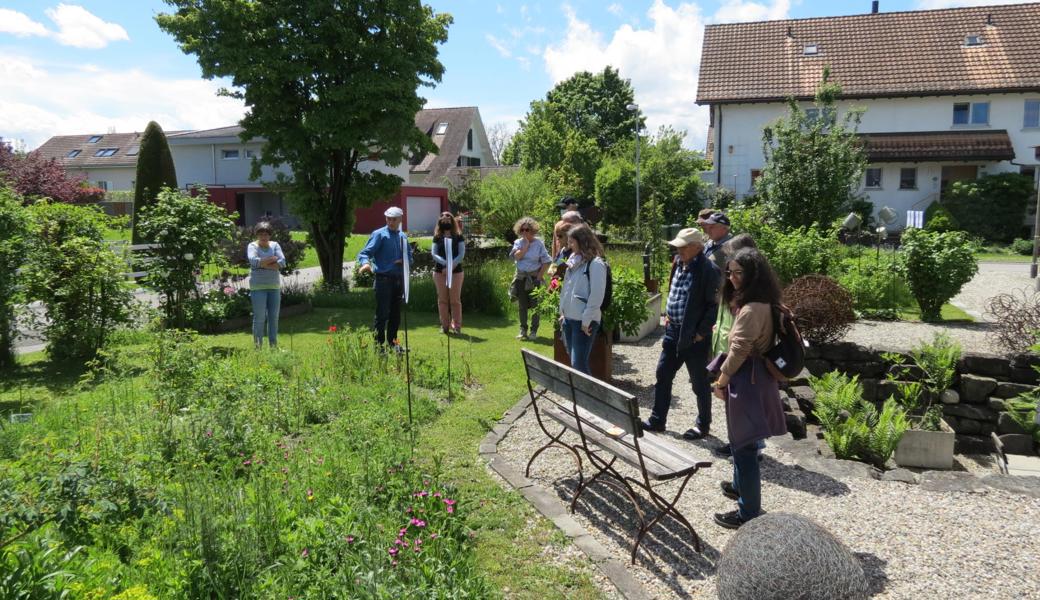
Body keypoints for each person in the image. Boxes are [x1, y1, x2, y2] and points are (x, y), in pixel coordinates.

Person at [710, 248, 788, 529]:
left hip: (748, 379)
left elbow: (740, 350)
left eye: (739, 272)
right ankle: (738, 486)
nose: (732, 278)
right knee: (745, 440)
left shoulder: (753, 309)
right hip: (756, 377)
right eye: (729, 272)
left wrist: (721, 381)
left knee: (744, 446)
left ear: (754, 274)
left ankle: (748, 513)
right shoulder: (764, 302)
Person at [641, 228, 721, 439]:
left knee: (699, 382)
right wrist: (667, 316)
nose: (678, 249)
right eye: (678, 246)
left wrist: (701, 333)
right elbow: (674, 290)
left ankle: (703, 425)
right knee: (663, 374)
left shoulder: (709, 269)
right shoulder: (678, 262)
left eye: (683, 246)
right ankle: (658, 420)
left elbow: (714, 306)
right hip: (673, 330)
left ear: (697, 247)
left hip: (694, 336)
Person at [708, 233, 759, 458]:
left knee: (744, 403)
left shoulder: (752, 294)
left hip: (739, 354)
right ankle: (740, 443)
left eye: (731, 258)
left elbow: (744, 333)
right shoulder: (734, 285)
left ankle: (749, 447)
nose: (728, 266)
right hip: (725, 348)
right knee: (733, 402)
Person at [357, 206, 413, 352]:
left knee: (396, 315)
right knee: (382, 314)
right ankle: (378, 346)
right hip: (383, 280)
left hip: (398, 281)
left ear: (400, 219)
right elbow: (364, 253)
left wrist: (404, 260)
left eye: (394, 219)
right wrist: (366, 264)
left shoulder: (403, 237)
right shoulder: (379, 234)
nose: (390, 222)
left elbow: (410, 258)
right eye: (388, 219)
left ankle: (393, 344)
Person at [557, 224, 607, 375]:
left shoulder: (596, 264)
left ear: (583, 241)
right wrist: (562, 312)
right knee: (575, 363)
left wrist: (586, 320)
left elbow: (597, 295)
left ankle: (589, 398)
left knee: (578, 365)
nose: (569, 245)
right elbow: (566, 288)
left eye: (572, 242)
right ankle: (580, 398)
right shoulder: (573, 260)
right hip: (569, 319)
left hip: (584, 322)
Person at [509, 217, 551, 340]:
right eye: (522, 230)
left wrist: (539, 276)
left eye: (527, 229)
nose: (525, 232)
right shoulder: (518, 243)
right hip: (520, 278)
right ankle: (523, 330)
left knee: (535, 306)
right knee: (522, 306)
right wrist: (526, 245)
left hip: (533, 278)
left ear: (532, 230)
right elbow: (516, 257)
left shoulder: (539, 243)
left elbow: (546, 261)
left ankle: (533, 331)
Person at [247, 221, 286, 348]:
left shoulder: (275, 245)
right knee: (259, 318)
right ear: (257, 235)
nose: (264, 237)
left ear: (270, 235)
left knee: (273, 318)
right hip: (258, 287)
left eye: (266, 234)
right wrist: (272, 260)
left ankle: (273, 346)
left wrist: (263, 264)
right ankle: (258, 347)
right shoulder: (252, 246)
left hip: (274, 287)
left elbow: (282, 262)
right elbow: (254, 261)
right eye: (261, 234)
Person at [431, 212, 466, 334]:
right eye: (443, 218)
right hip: (440, 273)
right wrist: (446, 264)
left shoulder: (458, 236)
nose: (445, 221)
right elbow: (434, 253)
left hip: (456, 272)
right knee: (442, 300)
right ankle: (444, 326)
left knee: (455, 300)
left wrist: (451, 266)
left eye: (448, 218)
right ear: (440, 221)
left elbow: (461, 254)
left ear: (452, 220)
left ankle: (456, 327)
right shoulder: (437, 236)